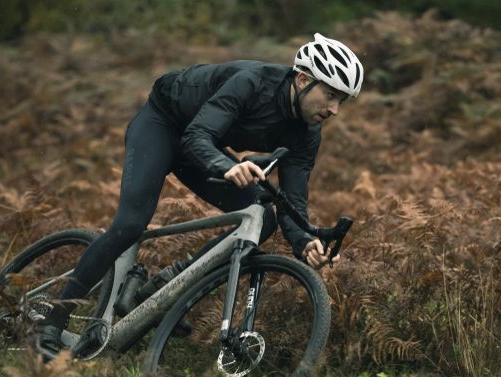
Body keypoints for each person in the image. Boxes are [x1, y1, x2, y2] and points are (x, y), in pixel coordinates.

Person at [34, 33, 364, 360]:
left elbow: (293, 197)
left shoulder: (307, 133)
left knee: (263, 217)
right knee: (131, 225)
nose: (334, 109)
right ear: (303, 79)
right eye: (331, 95)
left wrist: (305, 242)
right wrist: (224, 166)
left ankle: (167, 286)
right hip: (164, 124)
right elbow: (197, 135)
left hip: (202, 145)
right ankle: (53, 321)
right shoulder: (252, 83)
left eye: (342, 101)